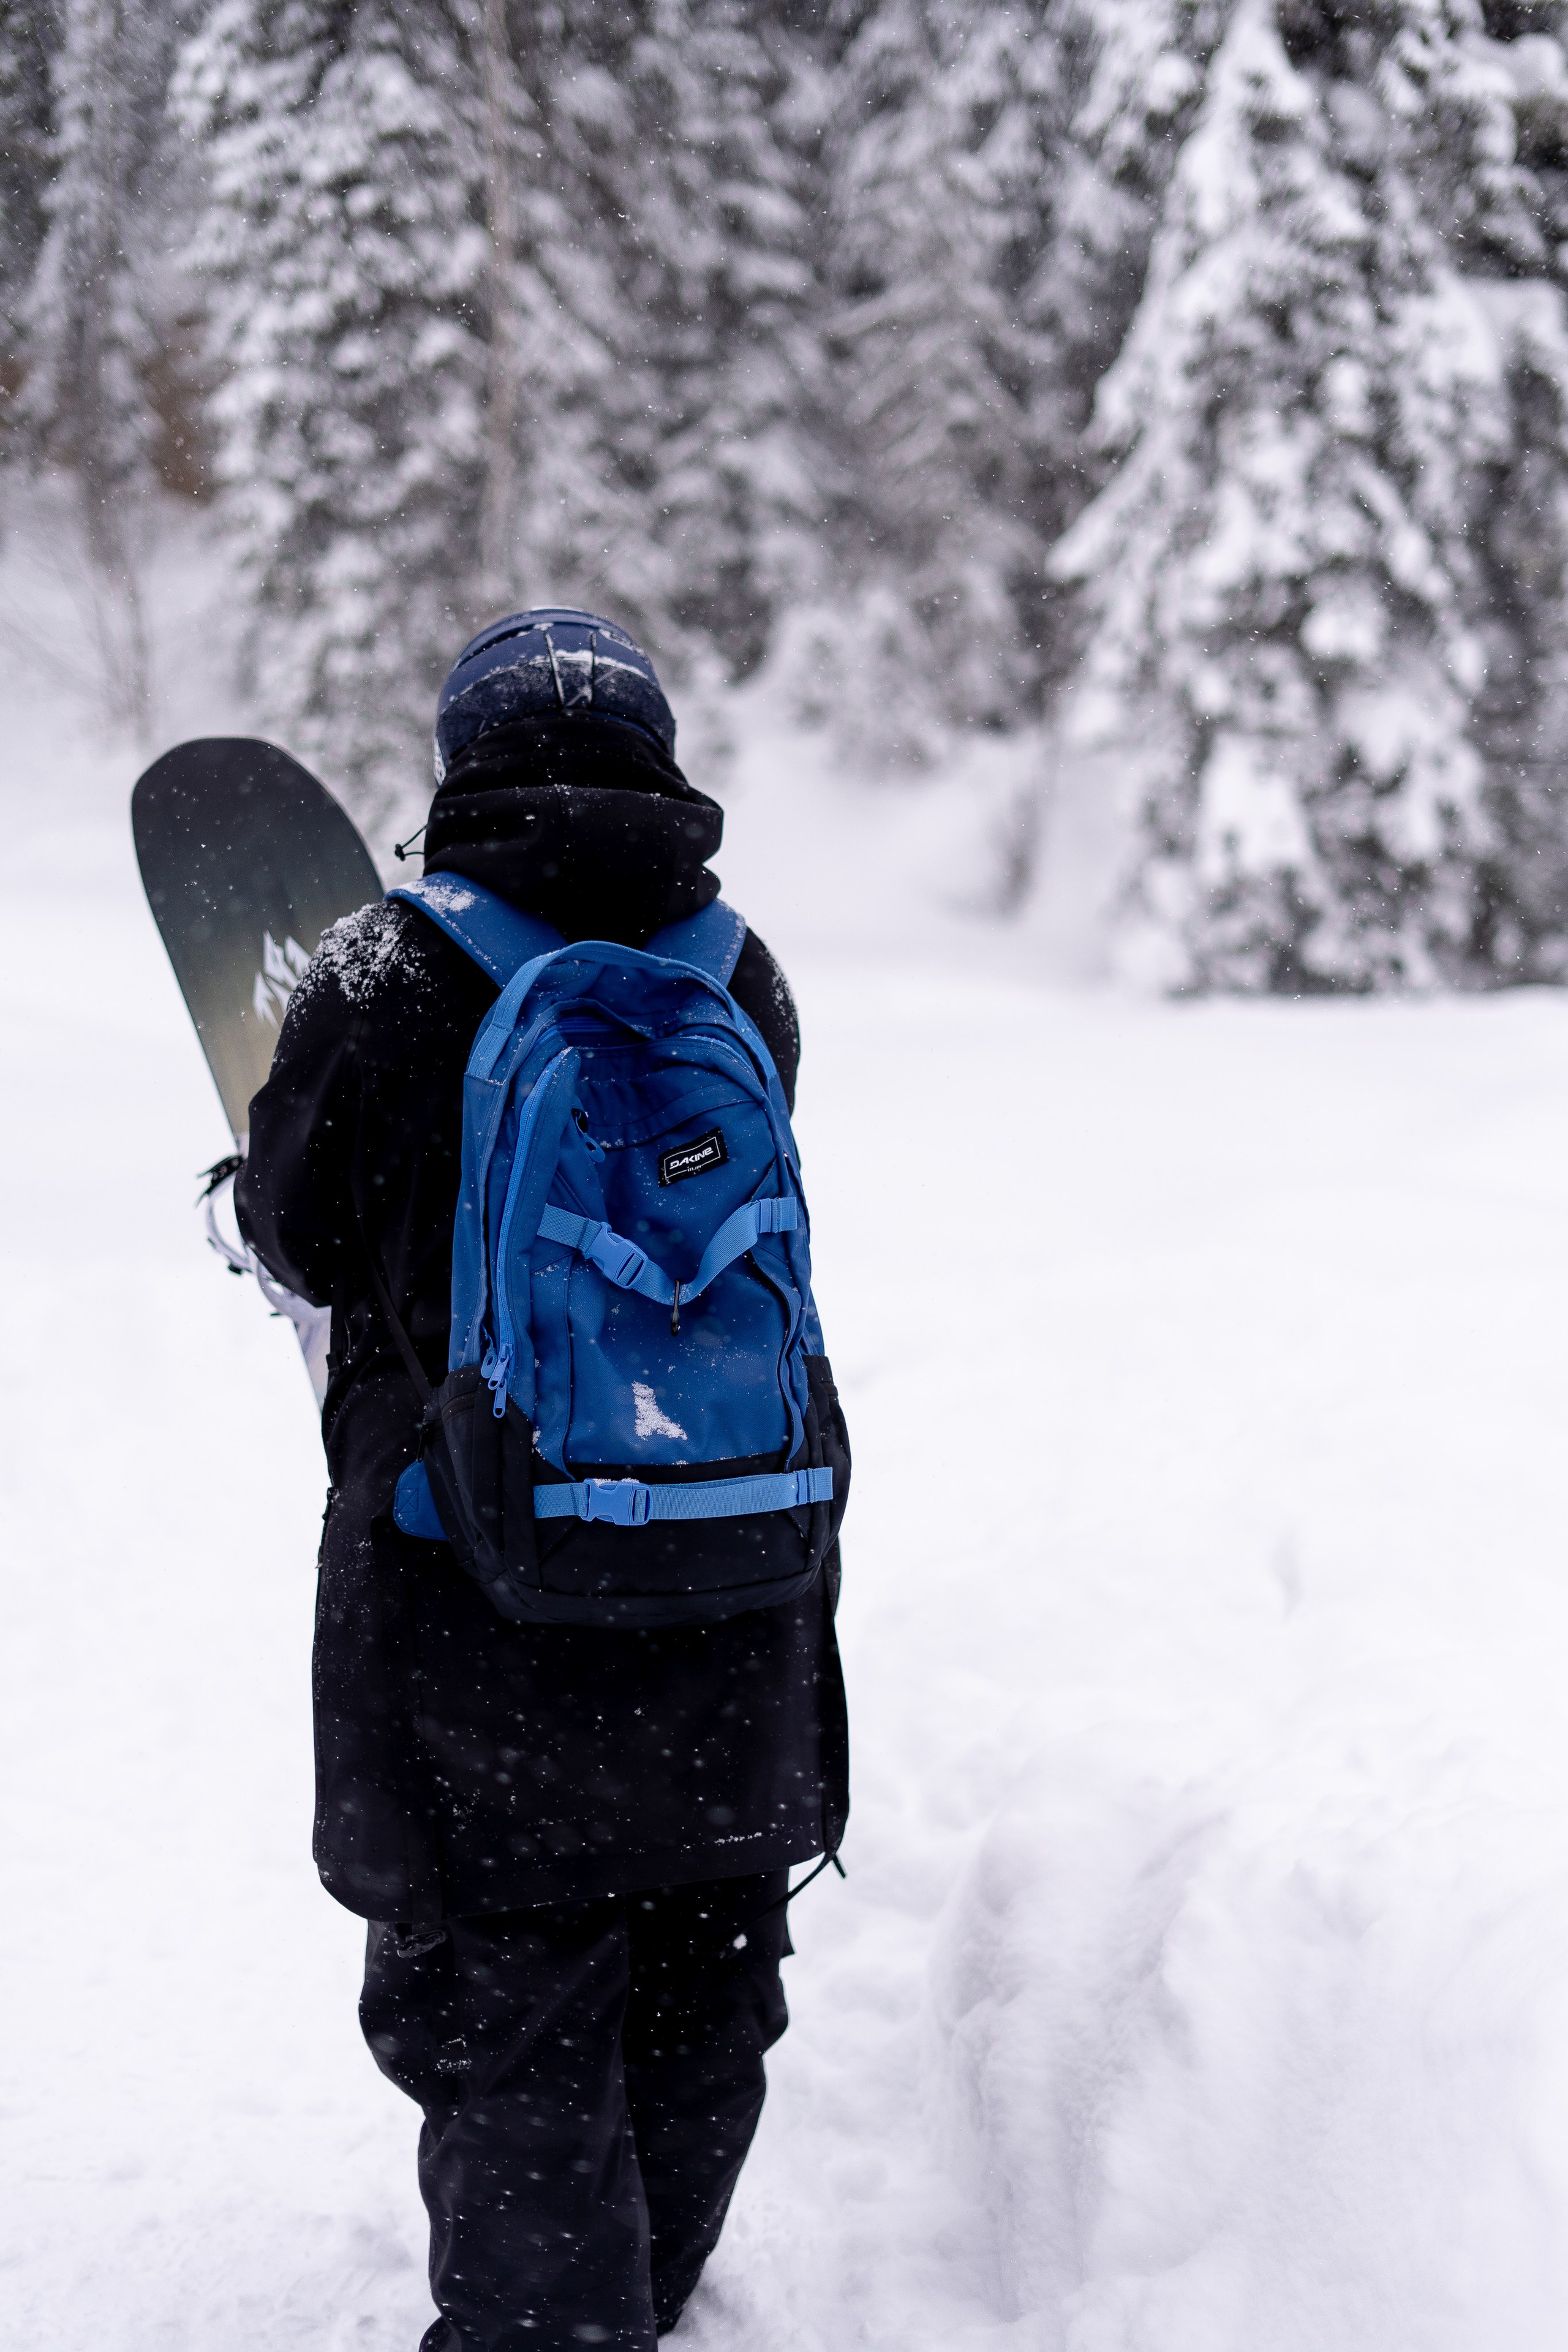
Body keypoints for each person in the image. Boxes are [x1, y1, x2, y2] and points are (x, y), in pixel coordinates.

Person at [236, 609, 850, 2352]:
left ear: (459, 766)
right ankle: (644, 2291)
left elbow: (305, 1233)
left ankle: (543, 2330)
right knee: (707, 1965)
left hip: (481, 1583)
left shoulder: (384, 970)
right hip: (735, 1573)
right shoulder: (743, 974)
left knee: (516, 1991)